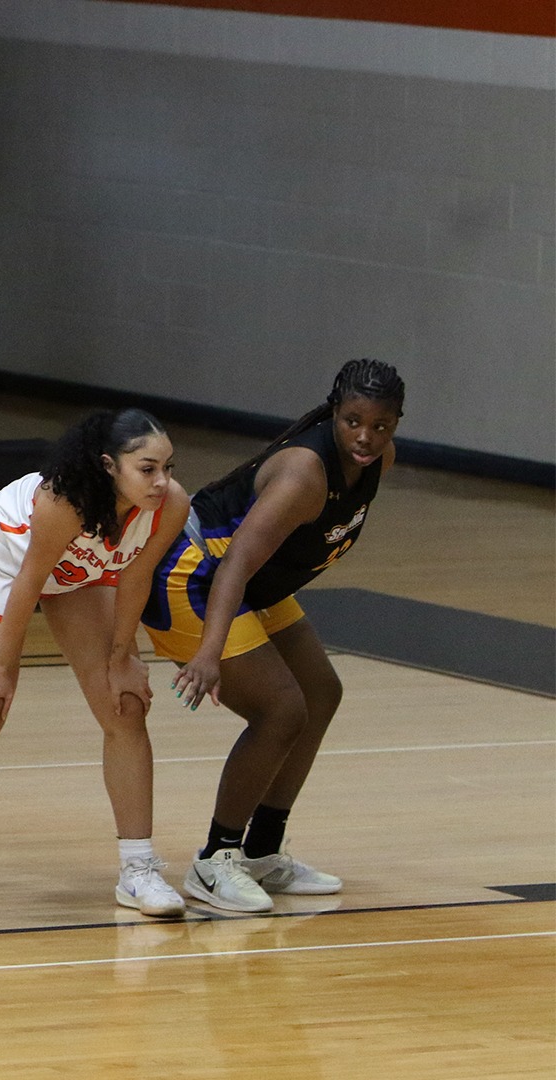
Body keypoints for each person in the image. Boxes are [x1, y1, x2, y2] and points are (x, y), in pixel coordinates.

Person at [144, 359, 404, 912]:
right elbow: (235, 563)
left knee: (320, 694)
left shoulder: (377, 461)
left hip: (250, 582)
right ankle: (214, 861)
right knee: (281, 709)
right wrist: (209, 654)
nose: (366, 437)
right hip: (195, 575)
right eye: (354, 421)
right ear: (335, 412)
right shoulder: (304, 476)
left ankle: (261, 853)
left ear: (396, 425)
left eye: (380, 426)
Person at [0, 409, 191, 926]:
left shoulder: (171, 505)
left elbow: (135, 577)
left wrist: (122, 657)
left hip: (82, 574)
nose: (163, 482)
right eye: (148, 469)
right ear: (110, 466)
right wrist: (1, 664)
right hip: (1, 564)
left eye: (169, 468)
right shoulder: (63, 502)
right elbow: (29, 580)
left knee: (125, 706)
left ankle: (138, 870)